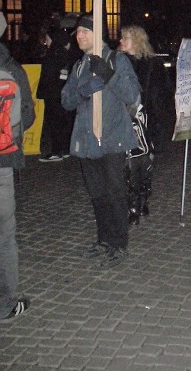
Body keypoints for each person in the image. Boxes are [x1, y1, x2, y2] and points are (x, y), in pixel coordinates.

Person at [61, 14, 141, 267]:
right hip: (87, 141)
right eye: (78, 32)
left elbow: (132, 96)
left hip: (112, 138)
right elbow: (66, 100)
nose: (79, 36)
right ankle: (104, 239)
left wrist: (109, 75)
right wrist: (84, 90)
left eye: (84, 31)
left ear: (97, 34)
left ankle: (119, 244)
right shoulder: (80, 66)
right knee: (97, 194)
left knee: (115, 193)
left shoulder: (117, 61)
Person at [0, 11, 35, 318]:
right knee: (5, 233)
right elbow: (29, 115)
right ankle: (8, 302)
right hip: (3, 160)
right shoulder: (12, 68)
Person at [118, 25, 167, 224]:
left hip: (146, 122)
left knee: (144, 164)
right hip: (123, 122)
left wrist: (151, 117)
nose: (121, 41)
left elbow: (162, 94)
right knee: (127, 165)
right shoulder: (118, 62)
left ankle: (142, 200)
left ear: (137, 40)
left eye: (125, 38)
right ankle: (132, 205)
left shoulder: (153, 65)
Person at [37, 28, 74, 162]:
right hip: (61, 93)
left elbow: (48, 75)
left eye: (47, 38)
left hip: (53, 93)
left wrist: (43, 91)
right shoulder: (64, 53)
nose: (46, 41)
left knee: (54, 122)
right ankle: (64, 149)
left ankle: (56, 151)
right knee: (63, 121)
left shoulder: (53, 54)